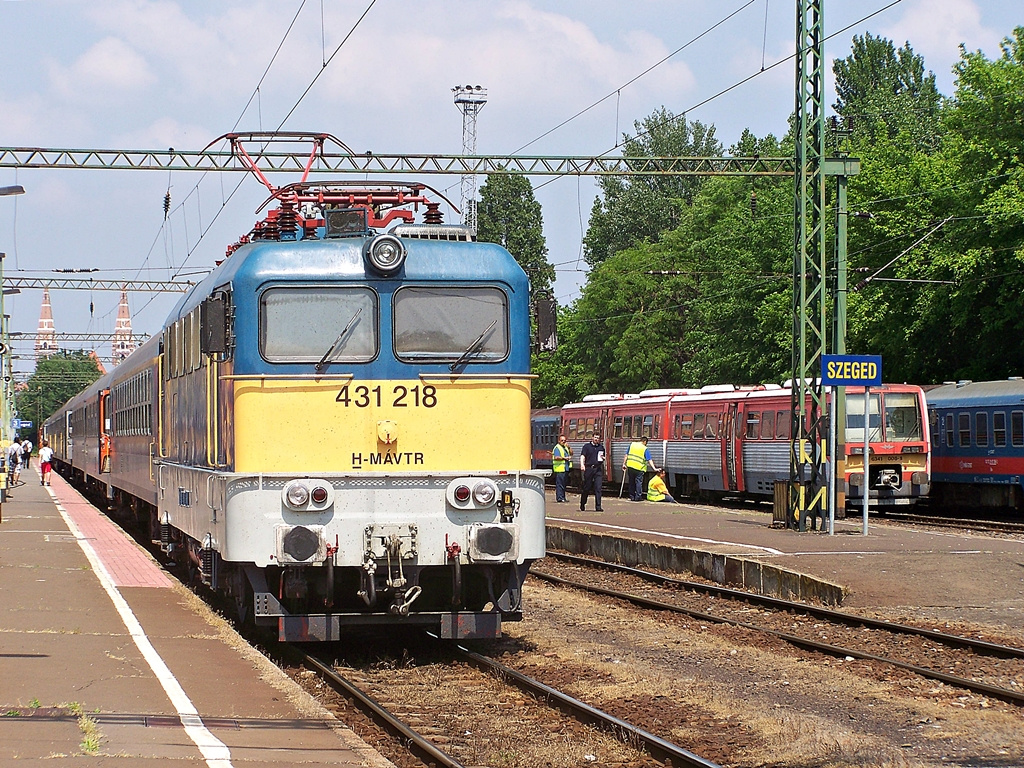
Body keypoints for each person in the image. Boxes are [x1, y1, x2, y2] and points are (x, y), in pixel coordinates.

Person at [622, 435, 658, 501]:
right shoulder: (644, 448)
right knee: (638, 482)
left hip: (630, 466)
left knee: (631, 482)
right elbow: (649, 459)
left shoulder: (632, 445)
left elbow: (626, 455)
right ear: (644, 441)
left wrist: (624, 464)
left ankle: (631, 497)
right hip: (639, 468)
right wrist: (654, 468)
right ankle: (638, 497)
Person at [579, 433, 605, 512]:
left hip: (598, 469)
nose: (597, 439)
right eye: (595, 437)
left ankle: (598, 506)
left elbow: (603, 456)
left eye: (598, 438)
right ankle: (583, 503)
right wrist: (582, 465)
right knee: (587, 487)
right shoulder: (586, 447)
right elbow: (583, 456)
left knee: (598, 488)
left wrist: (603, 458)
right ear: (592, 438)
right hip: (589, 468)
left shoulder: (601, 447)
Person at [551, 434, 572, 503]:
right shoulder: (557, 448)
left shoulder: (565, 447)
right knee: (560, 484)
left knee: (564, 484)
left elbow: (571, 453)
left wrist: (569, 448)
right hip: (559, 469)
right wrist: (564, 458)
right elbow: (556, 457)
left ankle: (563, 497)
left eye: (564, 440)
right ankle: (560, 498)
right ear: (559, 441)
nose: (563, 442)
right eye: (562, 440)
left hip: (565, 468)